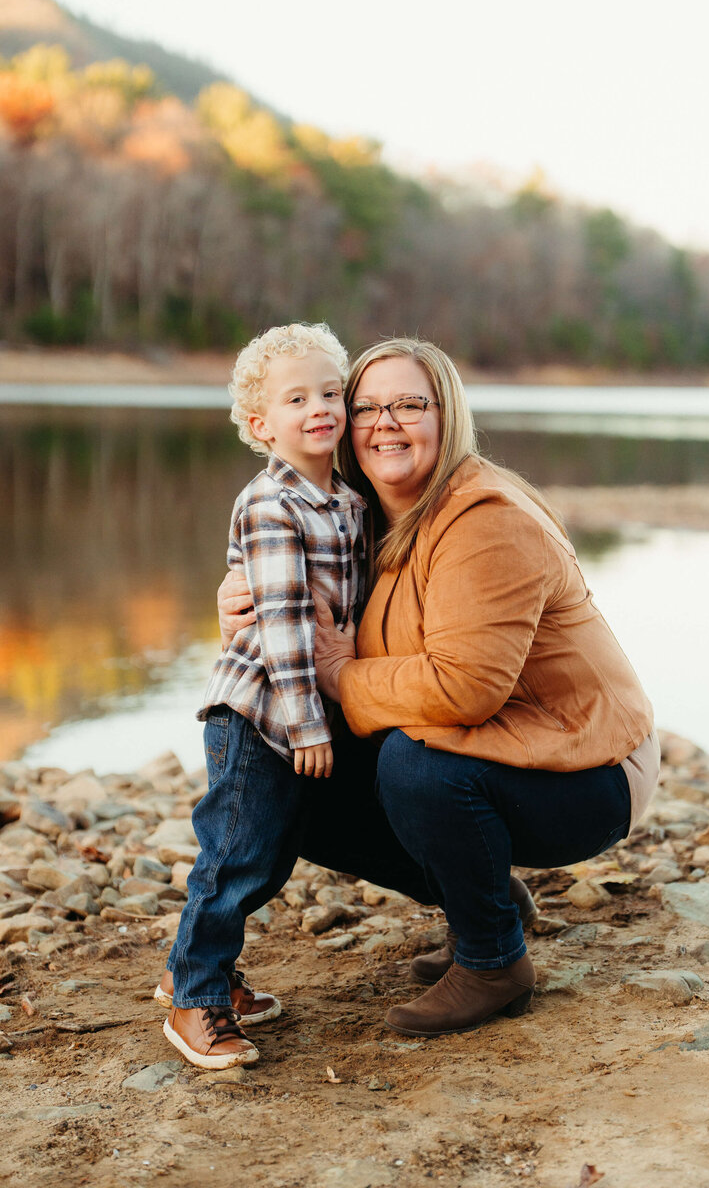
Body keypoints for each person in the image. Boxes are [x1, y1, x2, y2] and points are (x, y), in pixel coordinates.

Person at [218, 337, 660, 1040]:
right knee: (296, 772)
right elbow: (299, 590)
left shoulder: (485, 519)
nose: (384, 423)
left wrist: (337, 674)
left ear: (446, 415)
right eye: (366, 406)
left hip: (589, 772)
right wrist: (239, 599)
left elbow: (465, 690)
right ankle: (487, 903)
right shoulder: (367, 510)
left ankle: (493, 962)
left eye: (408, 405)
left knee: (415, 767)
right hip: (501, 742)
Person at [159, 322, 366, 1069]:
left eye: (331, 391)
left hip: (298, 708)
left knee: (271, 857)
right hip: (257, 710)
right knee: (236, 854)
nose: (321, 407)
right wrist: (310, 726)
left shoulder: (344, 498)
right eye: (296, 397)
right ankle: (195, 998)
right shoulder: (271, 503)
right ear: (260, 423)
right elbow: (281, 626)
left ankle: (199, 965)